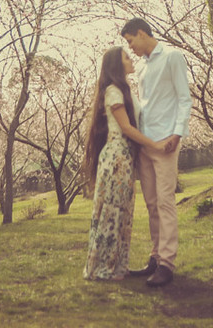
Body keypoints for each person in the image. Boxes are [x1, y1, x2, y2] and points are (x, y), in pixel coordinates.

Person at [83, 46, 164, 281]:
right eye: (126, 57)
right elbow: (127, 128)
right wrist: (154, 145)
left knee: (123, 212)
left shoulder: (125, 89)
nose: (131, 59)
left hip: (125, 157)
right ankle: (102, 267)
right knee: (111, 211)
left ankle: (117, 266)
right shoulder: (113, 91)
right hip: (116, 157)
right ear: (117, 65)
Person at [121, 17, 191, 288]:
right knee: (151, 203)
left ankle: (167, 264)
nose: (131, 48)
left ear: (141, 33)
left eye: (130, 41)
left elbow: (184, 98)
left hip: (166, 141)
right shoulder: (141, 69)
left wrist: (177, 133)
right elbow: (144, 107)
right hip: (146, 144)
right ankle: (155, 256)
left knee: (165, 202)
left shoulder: (173, 57)